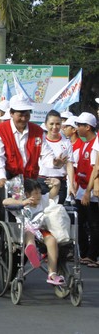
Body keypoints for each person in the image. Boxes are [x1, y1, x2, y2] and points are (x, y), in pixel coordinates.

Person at [0, 94, 59, 222]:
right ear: (11, 113)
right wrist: (1, 177)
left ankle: (30, 238)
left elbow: (46, 153)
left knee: (30, 214)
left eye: (26, 114)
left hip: (29, 179)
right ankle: (7, 239)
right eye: (20, 115)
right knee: (8, 216)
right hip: (9, 178)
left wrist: (55, 162)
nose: (23, 118)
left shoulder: (37, 131)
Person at [3, 178, 65, 285]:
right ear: (27, 194)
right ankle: (32, 251)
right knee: (29, 232)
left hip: (41, 230)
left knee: (52, 240)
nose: (39, 195)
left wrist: (57, 185)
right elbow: (5, 202)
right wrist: (22, 202)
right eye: (36, 193)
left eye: (40, 192)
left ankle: (52, 274)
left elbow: (52, 194)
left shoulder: (42, 201)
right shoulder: (21, 205)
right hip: (25, 230)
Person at [75, 112, 98, 267]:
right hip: (82, 189)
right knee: (80, 222)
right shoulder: (84, 144)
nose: (77, 128)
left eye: (80, 125)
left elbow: (96, 169)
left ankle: (92, 255)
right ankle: (84, 253)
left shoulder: (96, 143)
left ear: (87, 127)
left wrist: (89, 191)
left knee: (94, 224)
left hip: (91, 190)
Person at [38, 110, 75, 204]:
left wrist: (71, 184)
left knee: (56, 213)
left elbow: (69, 165)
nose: (54, 127)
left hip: (60, 183)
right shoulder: (40, 141)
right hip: (42, 182)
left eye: (58, 124)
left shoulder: (66, 143)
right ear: (46, 124)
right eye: (51, 124)